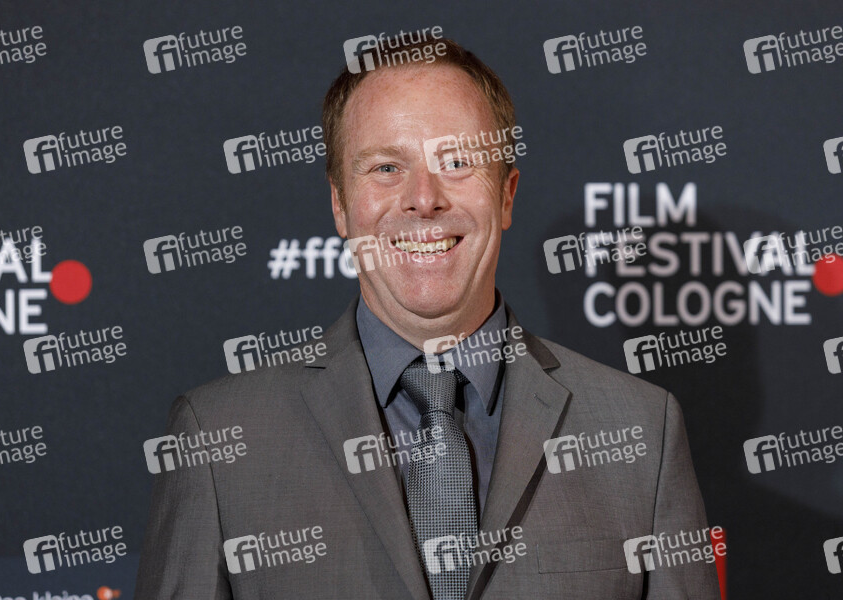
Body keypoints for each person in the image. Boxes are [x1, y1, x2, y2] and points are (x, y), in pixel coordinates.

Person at [134, 37, 721, 600]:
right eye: (386, 168)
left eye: (458, 161)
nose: (424, 198)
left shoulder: (642, 433)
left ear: (507, 195)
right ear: (340, 204)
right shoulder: (221, 441)